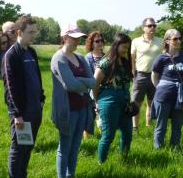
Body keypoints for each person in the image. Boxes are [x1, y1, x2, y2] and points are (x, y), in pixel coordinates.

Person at [3, 15, 45, 178]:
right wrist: (16, 114)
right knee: (18, 149)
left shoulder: (32, 52)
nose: (34, 35)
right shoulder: (11, 55)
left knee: (28, 147)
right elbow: (10, 88)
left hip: (35, 110)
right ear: (20, 32)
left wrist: (41, 100)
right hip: (22, 114)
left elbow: (38, 78)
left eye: (35, 32)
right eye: (30, 32)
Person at [51, 24, 96, 178]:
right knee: (65, 147)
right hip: (67, 109)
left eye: (79, 38)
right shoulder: (59, 58)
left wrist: (79, 80)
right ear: (64, 38)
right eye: (74, 38)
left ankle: (71, 175)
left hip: (83, 108)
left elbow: (93, 82)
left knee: (75, 146)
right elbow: (70, 85)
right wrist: (82, 82)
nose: (77, 42)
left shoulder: (80, 58)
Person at [93, 33, 133, 163]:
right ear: (116, 46)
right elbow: (95, 84)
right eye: (124, 47)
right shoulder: (105, 62)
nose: (126, 50)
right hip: (108, 101)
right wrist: (97, 101)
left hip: (125, 101)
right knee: (108, 136)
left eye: (128, 47)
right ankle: (101, 163)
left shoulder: (126, 62)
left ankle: (124, 159)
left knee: (127, 133)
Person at [151, 29, 183, 149]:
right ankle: (158, 149)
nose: (178, 41)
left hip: (180, 95)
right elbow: (154, 75)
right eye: (175, 39)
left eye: (180, 38)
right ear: (167, 41)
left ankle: (175, 148)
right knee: (161, 125)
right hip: (163, 95)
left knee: (177, 124)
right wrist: (160, 87)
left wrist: (181, 86)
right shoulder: (161, 58)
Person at [131, 17, 162, 131]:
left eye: (154, 25)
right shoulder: (136, 41)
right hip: (140, 75)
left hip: (156, 76)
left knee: (152, 103)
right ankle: (135, 128)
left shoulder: (160, 41)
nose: (152, 28)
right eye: (150, 26)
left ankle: (149, 126)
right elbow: (132, 58)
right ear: (144, 28)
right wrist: (133, 73)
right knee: (136, 103)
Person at [84, 31, 106, 137]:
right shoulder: (88, 58)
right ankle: (87, 141)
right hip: (91, 92)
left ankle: (104, 138)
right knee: (90, 117)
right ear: (92, 43)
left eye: (101, 40)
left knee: (104, 116)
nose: (100, 43)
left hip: (105, 90)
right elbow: (88, 76)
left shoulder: (107, 57)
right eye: (97, 41)